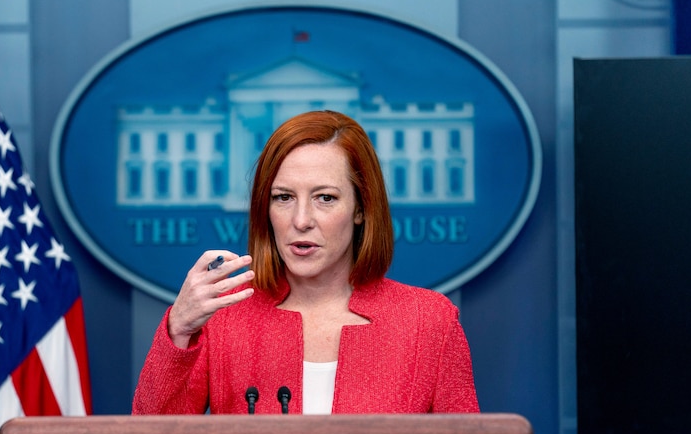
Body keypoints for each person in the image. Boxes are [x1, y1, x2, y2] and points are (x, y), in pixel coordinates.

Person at [132, 110, 479, 415]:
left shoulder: (429, 320)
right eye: (283, 198)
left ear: (361, 208)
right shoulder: (224, 316)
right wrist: (179, 329)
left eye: (325, 198)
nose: (301, 220)